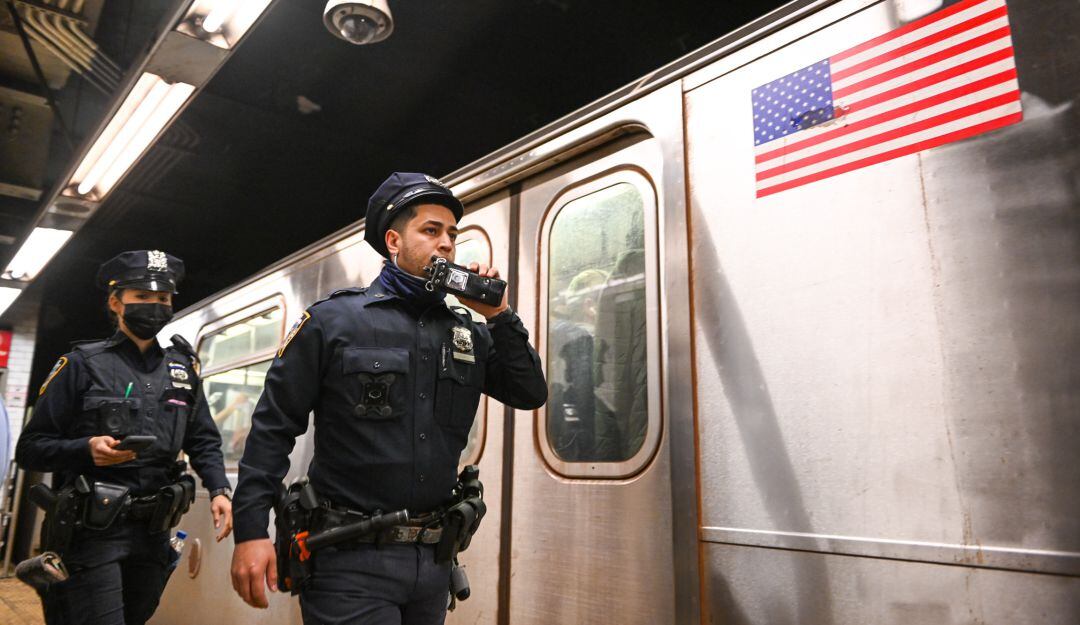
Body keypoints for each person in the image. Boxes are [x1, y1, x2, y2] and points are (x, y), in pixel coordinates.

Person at [230, 172, 547, 624]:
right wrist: (250, 530)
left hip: (433, 563)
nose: (446, 245)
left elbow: (529, 392)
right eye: (431, 231)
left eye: (452, 235)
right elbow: (272, 428)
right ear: (394, 240)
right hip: (348, 562)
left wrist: (499, 316)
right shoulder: (333, 323)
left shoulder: (467, 333)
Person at [15, 250, 234, 625]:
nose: (155, 306)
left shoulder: (182, 369)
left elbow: (203, 440)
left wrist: (219, 490)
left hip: (154, 531)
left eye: (163, 299)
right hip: (94, 531)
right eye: (143, 298)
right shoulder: (81, 364)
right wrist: (86, 450)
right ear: (116, 303)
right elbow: (30, 449)